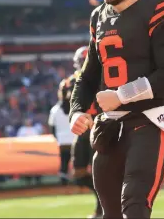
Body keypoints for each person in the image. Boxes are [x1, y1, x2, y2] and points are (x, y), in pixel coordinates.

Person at [69, 0, 164, 218]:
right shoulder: (98, 16)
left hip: (149, 122)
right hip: (110, 128)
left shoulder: (159, 6)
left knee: (134, 206)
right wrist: (77, 110)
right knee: (109, 214)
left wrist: (121, 95)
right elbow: (88, 76)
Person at [57, 46, 103, 218]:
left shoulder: (98, 79)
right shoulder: (68, 83)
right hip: (84, 130)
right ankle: (103, 202)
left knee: (99, 172)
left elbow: (63, 107)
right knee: (79, 174)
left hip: (97, 127)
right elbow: (64, 108)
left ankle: (102, 208)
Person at [48, 79, 76, 186]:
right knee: (76, 161)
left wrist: (58, 138)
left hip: (62, 141)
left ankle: (63, 181)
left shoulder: (54, 110)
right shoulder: (75, 108)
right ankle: (78, 180)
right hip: (74, 139)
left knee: (64, 161)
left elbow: (52, 128)